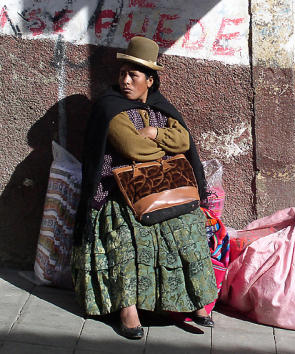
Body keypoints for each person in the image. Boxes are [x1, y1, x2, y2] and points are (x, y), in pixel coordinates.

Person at [71, 37, 217, 340]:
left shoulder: (161, 107)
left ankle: (196, 304)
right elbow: (134, 148)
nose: (125, 81)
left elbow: (185, 142)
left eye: (133, 75)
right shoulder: (110, 109)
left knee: (187, 226)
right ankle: (128, 312)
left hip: (163, 189)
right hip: (118, 192)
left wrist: (155, 133)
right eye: (122, 73)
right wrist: (161, 143)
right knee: (126, 234)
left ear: (149, 80)